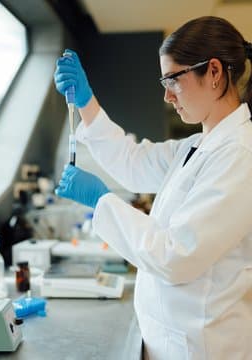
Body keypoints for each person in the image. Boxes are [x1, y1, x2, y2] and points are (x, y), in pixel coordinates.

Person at [54, 16, 252, 360]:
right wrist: (86, 103)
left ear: (215, 72)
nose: (166, 95)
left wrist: (102, 202)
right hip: (172, 340)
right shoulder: (197, 146)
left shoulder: (240, 155)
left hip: (203, 347)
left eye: (173, 80)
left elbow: (176, 255)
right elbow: (133, 163)